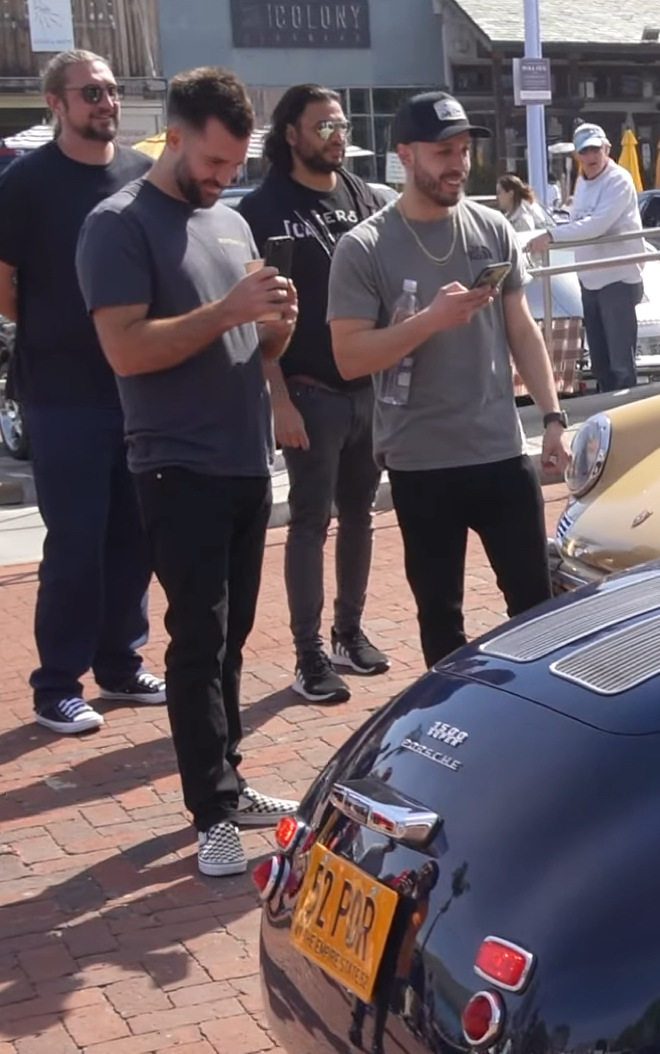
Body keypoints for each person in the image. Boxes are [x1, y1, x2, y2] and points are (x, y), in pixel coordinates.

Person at [78, 67, 302, 876]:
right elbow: (126, 350)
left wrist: (274, 331)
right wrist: (231, 312)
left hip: (244, 461)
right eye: (211, 162)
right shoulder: (118, 225)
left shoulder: (231, 223)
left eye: (234, 165)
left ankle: (228, 779)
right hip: (176, 465)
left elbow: (245, 345)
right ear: (172, 136)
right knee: (197, 639)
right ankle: (209, 808)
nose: (222, 179)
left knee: (233, 635)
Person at [328, 92, 573, 667]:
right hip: (422, 465)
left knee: (538, 612)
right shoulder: (364, 247)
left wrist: (554, 418)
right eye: (443, 151)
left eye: (464, 149)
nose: (458, 163)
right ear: (406, 156)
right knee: (442, 622)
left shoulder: (491, 228)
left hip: (500, 452)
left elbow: (522, 331)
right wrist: (429, 321)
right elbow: (348, 358)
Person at [0, 49, 163, 737]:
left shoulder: (142, 175)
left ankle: (120, 662)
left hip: (135, 390)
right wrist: (56, 322)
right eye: (90, 93)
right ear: (56, 103)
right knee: (76, 542)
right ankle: (57, 685)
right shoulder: (27, 182)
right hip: (61, 394)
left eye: (110, 90)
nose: (104, 102)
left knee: (133, 538)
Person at [238, 84, 396, 705]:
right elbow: (259, 319)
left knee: (362, 515)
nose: (337, 135)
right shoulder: (262, 209)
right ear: (292, 135)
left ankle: (348, 633)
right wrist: (277, 398)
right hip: (307, 390)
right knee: (311, 521)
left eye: (342, 124)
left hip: (367, 389)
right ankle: (308, 656)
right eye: (323, 126)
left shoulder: (362, 196)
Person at [540, 123, 644, 392]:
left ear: (607, 148)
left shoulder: (619, 179)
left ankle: (628, 415)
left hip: (618, 278)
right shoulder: (582, 181)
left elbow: (597, 225)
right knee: (600, 362)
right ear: (578, 155)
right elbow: (580, 222)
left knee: (621, 363)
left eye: (595, 149)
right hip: (589, 279)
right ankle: (608, 416)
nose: (590, 156)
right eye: (584, 151)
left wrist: (552, 236)